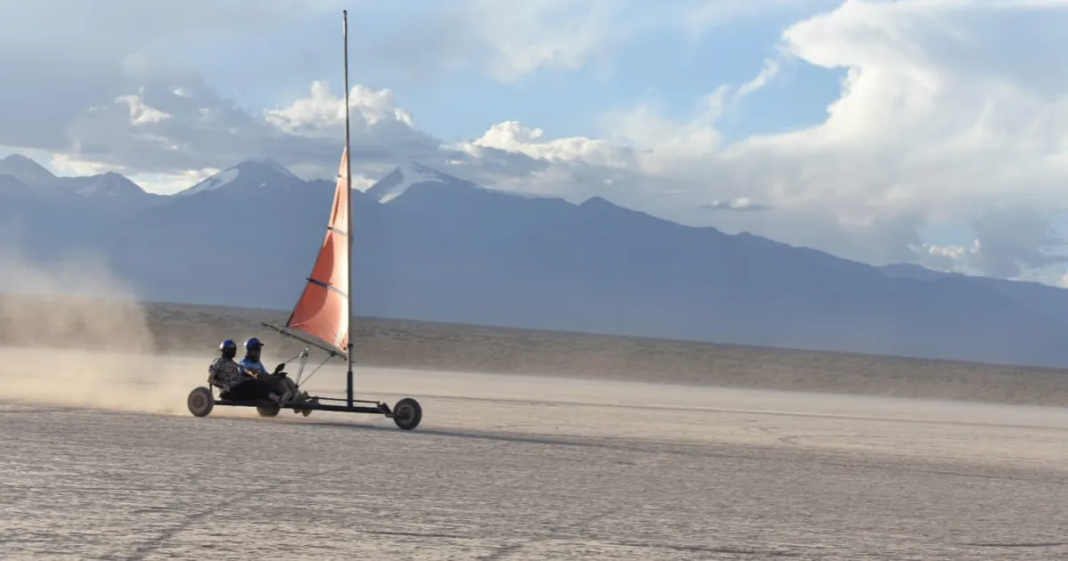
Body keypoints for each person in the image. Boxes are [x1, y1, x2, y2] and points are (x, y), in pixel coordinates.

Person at [241, 337, 314, 414]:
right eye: (256, 349)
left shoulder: (258, 363)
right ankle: (294, 401)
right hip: (257, 390)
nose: (259, 352)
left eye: (259, 349)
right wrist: (276, 376)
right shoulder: (244, 363)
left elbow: (266, 376)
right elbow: (258, 376)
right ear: (249, 351)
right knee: (279, 379)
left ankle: (298, 398)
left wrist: (276, 372)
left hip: (264, 384)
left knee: (286, 378)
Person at [208, 339, 284, 402]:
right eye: (231, 350)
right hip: (228, 392)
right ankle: (277, 399)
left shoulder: (234, 364)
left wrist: (251, 379)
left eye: (234, 350)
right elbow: (210, 379)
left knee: (257, 383)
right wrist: (223, 385)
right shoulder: (219, 362)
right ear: (225, 350)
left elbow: (239, 378)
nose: (233, 352)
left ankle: (278, 398)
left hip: (238, 390)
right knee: (255, 384)